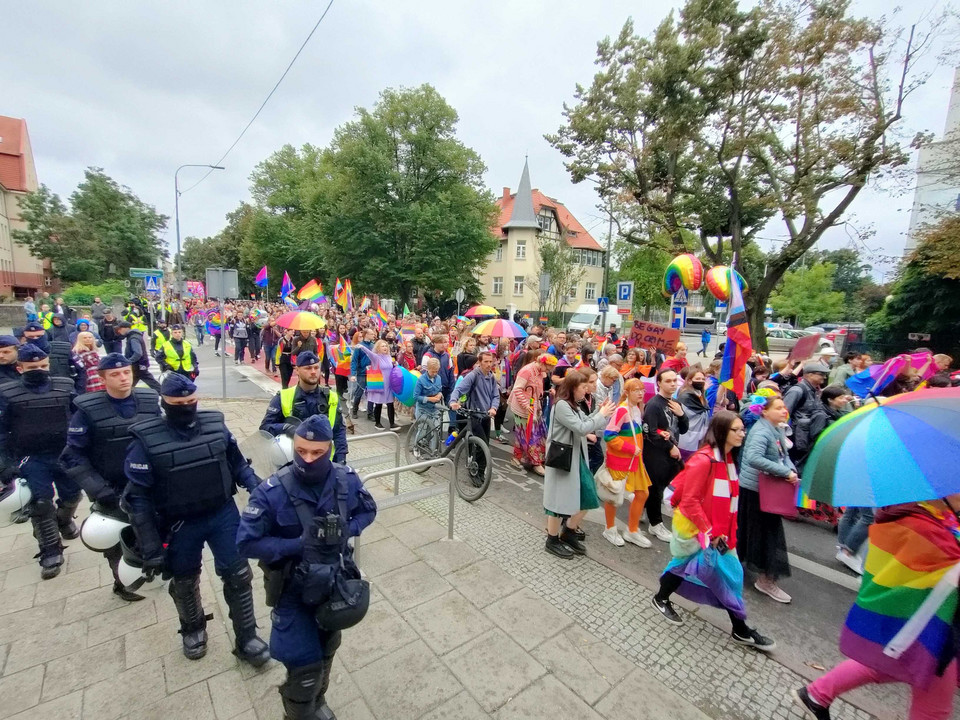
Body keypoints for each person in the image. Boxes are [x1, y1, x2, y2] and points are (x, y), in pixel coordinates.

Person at [121, 373, 269, 665]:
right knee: (185, 579)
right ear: (165, 402)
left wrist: (260, 490)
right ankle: (193, 629)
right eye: (180, 403)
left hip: (222, 513)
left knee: (239, 576)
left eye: (192, 401)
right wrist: (151, 547)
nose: (187, 407)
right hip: (179, 523)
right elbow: (137, 498)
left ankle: (247, 637)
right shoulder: (145, 439)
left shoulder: (215, 425)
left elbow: (238, 464)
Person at [237, 415, 377, 720]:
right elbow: (245, 543)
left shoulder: (346, 479)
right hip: (292, 588)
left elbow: (369, 510)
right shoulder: (271, 492)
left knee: (328, 648)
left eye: (316, 453)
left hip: (334, 581)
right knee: (305, 668)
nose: (308, 459)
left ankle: (317, 702)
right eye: (301, 451)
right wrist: (297, 545)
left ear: (329, 449)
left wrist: (347, 528)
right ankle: (298, 712)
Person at [793, 497, 960, 720]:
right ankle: (816, 694)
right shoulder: (926, 525)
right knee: (934, 709)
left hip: (920, 625)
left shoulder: (934, 517)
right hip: (931, 632)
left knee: (883, 665)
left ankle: (816, 694)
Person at [652, 411, 776, 651]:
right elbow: (689, 502)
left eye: (742, 429)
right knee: (728, 575)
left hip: (719, 533)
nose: (743, 433)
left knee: (704, 571)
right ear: (721, 431)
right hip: (702, 531)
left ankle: (662, 598)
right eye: (737, 430)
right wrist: (710, 531)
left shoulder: (727, 459)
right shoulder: (704, 460)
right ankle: (740, 629)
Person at [59, 353, 160, 601]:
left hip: (147, 484)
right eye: (115, 374)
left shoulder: (149, 400)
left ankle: (149, 569)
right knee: (117, 537)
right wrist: (98, 489)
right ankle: (122, 582)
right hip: (111, 487)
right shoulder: (87, 410)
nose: (123, 378)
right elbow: (71, 456)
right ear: (102, 377)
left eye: (127, 372)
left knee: (151, 531)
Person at [0, 344, 80, 579]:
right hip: (31, 457)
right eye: (33, 367)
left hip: (65, 454)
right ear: (20, 367)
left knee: (73, 495)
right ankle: (50, 550)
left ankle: (63, 521)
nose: (39, 370)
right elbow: (2, 433)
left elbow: (79, 419)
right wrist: (5, 464)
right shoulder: (7, 393)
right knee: (41, 502)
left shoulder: (65, 386)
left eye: (43, 366)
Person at [542, 372, 615, 558]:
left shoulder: (574, 405)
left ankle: (568, 531)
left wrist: (599, 412)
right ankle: (552, 539)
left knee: (589, 494)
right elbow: (582, 427)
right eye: (584, 386)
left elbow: (585, 422)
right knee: (558, 501)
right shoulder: (561, 406)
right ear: (573, 387)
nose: (587, 389)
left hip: (575, 458)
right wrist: (601, 415)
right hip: (562, 459)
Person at [739, 394, 796, 603]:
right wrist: (783, 472)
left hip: (765, 489)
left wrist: (789, 469)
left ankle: (739, 564)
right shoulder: (761, 431)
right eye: (779, 408)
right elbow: (754, 458)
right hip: (756, 490)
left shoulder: (777, 428)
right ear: (764, 411)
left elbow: (784, 455)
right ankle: (765, 580)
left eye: (784, 408)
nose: (784, 411)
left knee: (751, 531)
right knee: (767, 535)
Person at [261, 351, 349, 464]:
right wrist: (286, 428)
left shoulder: (331, 397)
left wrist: (341, 461)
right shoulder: (283, 397)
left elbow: (339, 432)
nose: (313, 372)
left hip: (324, 464)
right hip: (293, 464)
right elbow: (265, 428)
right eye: (308, 368)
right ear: (297, 370)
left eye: (316, 368)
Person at [601, 378, 652, 548]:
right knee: (613, 495)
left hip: (634, 460)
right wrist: (630, 448)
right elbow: (609, 435)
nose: (640, 393)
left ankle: (632, 530)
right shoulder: (622, 410)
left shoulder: (636, 409)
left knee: (643, 493)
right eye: (636, 390)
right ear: (627, 392)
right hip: (622, 459)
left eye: (642, 390)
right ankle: (610, 528)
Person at [642, 368, 688, 542]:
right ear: (659, 383)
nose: (673, 384)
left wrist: (681, 414)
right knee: (655, 489)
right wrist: (669, 446)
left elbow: (683, 429)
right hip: (655, 453)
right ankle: (655, 524)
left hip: (671, 452)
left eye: (674, 381)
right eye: (668, 381)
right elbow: (650, 432)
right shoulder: (654, 405)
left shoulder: (675, 403)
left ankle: (643, 506)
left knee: (665, 485)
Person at [450, 351, 500, 479]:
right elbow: (459, 389)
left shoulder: (491, 377)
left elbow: (496, 395)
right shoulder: (473, 376)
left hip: (486, 416)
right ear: (479, 362)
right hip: (474, 415)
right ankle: (475, 473)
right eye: (486, 362)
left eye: (491, 361)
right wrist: (453, 401)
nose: (489, 364)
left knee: (485, 445)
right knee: (481, 444)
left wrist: (494, 407)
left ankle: (481, 471)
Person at [783, 361, 829, 469]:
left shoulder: (814, 390)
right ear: (810, 374)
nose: (824, 377)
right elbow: (784, 413)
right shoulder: (797, 390)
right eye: (821, 374)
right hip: (795, 438)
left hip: (807, 436)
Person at [507, 351, 548, 475]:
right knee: (527, 434)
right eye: (548, 368)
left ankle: (519, 457)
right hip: (523, 407)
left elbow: (536, 391)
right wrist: (526, 405)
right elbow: (517, 389)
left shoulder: (540, 372)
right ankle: (535, 462)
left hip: (533, 406)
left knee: (530, 433)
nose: (548, 371)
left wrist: (538, 405)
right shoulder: (526, 371)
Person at [356, 339, 399, 431]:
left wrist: (396, 364)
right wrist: (362, 347)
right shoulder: (376, 357)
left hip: (389, 385)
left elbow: (393, 367)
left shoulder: (389, 357)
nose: (385, 348)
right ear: (378, 348)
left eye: (386, 346)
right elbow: (369, 353)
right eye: (382, 346)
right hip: (379, 384)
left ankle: (392, 423)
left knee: (390, 404)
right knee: (378, 404)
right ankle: (377, 423)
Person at [117, 320, 162, 392]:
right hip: (139, 365)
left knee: (150, 383)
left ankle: (165, 395)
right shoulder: (134, 336)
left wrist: (128, 361)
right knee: (131, 383)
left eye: (120, 329)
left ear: (126, 328)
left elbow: (138, 353)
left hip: (137, 365)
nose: (119, 331)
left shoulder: (133, 338)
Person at [677, 367, 710, 460]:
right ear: (690, 381)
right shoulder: (686, 396)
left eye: (703, 379)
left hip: (699, 436)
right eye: (698, 379)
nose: (701, 381)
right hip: (687, 436)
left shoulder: (700, 394)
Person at [350, 328, 376, 420]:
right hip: (362, 373)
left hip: (372, 373)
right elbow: (354, 361)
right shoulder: (359, 346)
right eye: (371, 334)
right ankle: (354, 410)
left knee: (371, 392)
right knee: (359, 392)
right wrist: (353, 374)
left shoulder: (373, 346)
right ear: (366, 335)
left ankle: (370, 414)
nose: (373, 335)